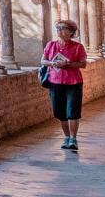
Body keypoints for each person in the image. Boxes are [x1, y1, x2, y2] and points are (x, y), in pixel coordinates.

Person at [43, 20, 89, 150]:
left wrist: (68, 64)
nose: (59, 30)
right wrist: (52, 63)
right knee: (60, 112)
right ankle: (67, 137)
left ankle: (73, 139)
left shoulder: (77, 47)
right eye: (58, 27)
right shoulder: (51, 45)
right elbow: (43, 61)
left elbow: (83, 64)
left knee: (73, 111)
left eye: (63, 28)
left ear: (71, 32)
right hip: (55, 82)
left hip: (73, 82)